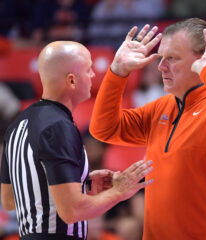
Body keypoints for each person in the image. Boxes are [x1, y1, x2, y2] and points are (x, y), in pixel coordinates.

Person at [89, 19, 206, 239]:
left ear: (201, 58)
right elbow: (104, 129)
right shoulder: (160, 108)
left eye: (172, 58)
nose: (161, 66)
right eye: (161, 58)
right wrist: (117, 72)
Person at [0, 41, 154, 240]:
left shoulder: (16, 125)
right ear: (72, 81)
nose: (92, 76)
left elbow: (10, 200)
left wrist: (80, 183)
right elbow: (72, 211)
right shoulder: (59, 126)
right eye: (88, 70)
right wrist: (119, 191)